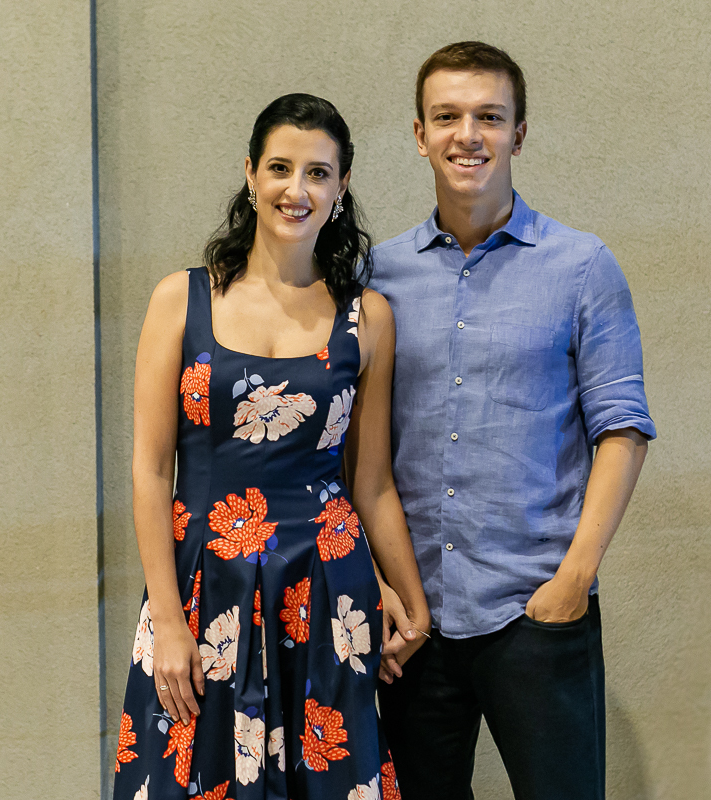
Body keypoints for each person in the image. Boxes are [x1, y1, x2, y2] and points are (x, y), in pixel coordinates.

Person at [111, 93, 430, 800]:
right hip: (202, 590)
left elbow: (370, 482)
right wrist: (166, 619)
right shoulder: (180, 299)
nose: (298, 189)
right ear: (250, 174)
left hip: (325, 594)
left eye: (319, 173)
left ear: (341, 188)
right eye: (281, 168)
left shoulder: (367, 318)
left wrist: (411, 597)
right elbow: (149, 467)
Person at [370, 42, 656, 800]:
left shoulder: (582, 266)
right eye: (448, 116)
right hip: (414, 621)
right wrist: (379, 583)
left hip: (536, 606)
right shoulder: (376, 277)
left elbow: (622, 430)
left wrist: (575, 579)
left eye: (490, 117)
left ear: (518, 134)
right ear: (420, 133)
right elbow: (351, 448)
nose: (469, 134)